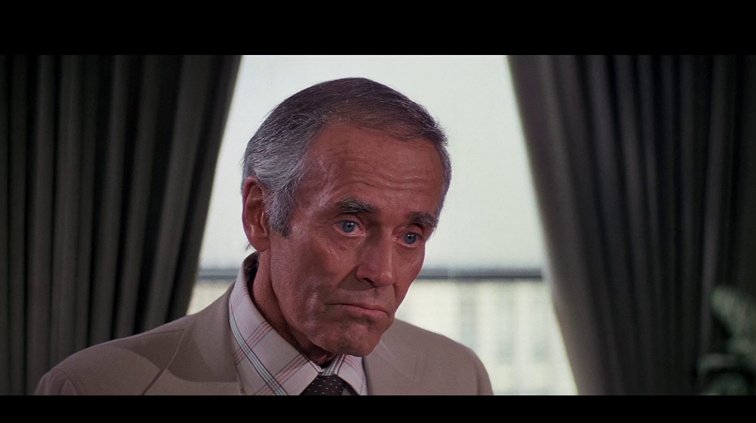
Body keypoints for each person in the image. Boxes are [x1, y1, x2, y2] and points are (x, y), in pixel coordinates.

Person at [36, 77, 493, 395]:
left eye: (410, 236)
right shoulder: (93, 385)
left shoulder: (458, 377)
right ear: (260, 214)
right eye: (349, 225)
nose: (383, 273)